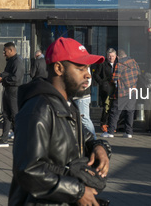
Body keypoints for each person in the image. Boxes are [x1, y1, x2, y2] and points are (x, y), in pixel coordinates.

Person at [8, 37, 111, 205]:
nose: (87, 74)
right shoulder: (38, 110)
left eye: (88, 68)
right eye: (80, 68)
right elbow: (28, 170)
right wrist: (78, 192)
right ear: (58, 68)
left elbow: (84, 139)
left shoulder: (67, 106)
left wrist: (99, 147)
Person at [102, 49, 140, 139]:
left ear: (118, 57)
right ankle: (129, 132)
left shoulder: (120, 64)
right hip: (133, 91)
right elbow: (138, 72)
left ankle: (110, 132)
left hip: (123, 92)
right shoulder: (133, 61)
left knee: (114, 112)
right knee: (130, 112)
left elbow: (115, 78)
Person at [0, 41, 25, 147]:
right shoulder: (11, 60)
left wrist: (3, 79)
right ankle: (4, 138)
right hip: (8, 90)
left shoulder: (17, 61)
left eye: (5, 51)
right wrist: (2, 74)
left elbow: (16, 78)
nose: (4, 53)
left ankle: (20, 137)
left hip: (13, 90)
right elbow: (10, 74)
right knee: (6, 113)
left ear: (11, 50)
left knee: (14, 114)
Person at [92, 48, 117, 133]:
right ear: (107, 56)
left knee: (113, 107)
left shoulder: (118, 64)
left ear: (115, 56)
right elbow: (96, 74)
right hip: (105, 89)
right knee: (106, 107)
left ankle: (111, 125)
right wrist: (102, 83)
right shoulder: (102, 63)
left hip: (115, 88)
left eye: (112, 56)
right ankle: (104, 124)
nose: (111, 58)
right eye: (109, 56)